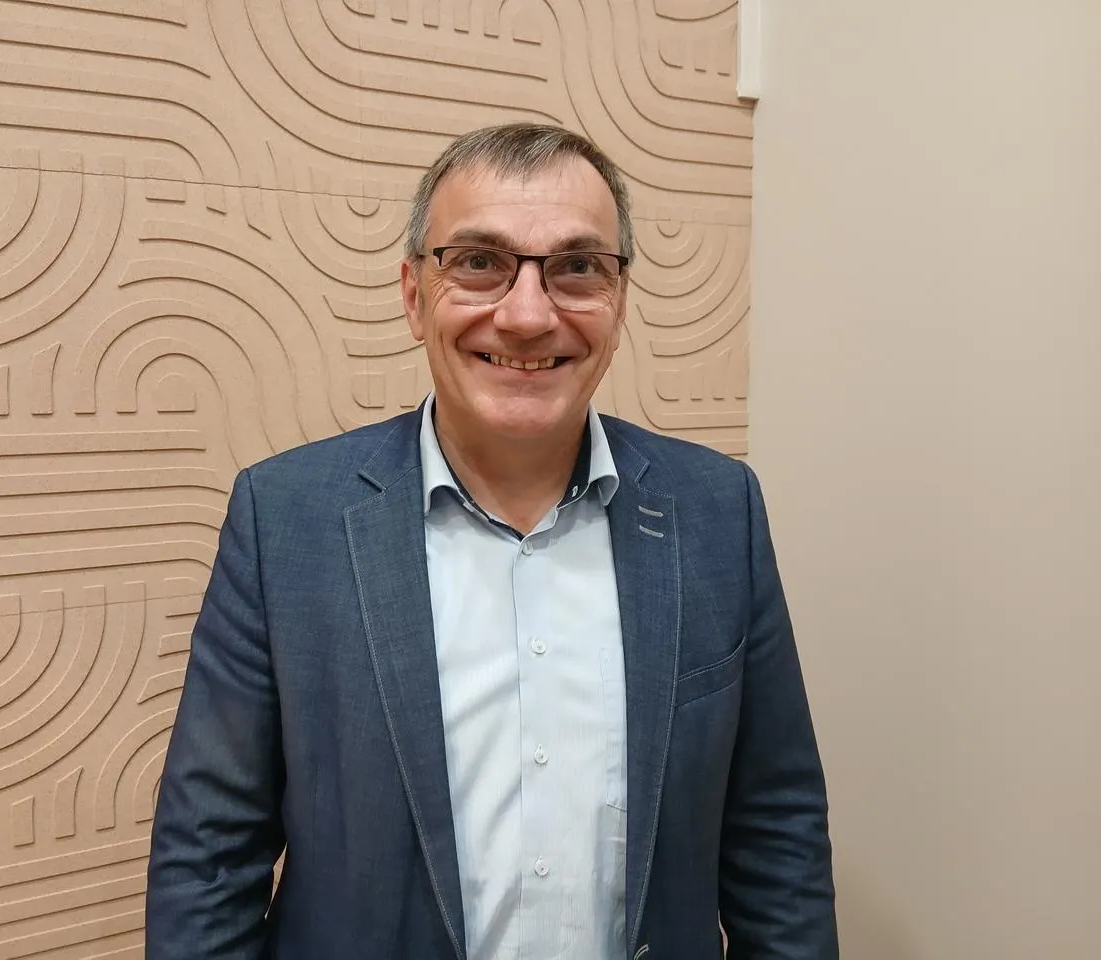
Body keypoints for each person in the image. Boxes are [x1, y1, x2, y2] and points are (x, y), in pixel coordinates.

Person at [145, 122, 838, 960]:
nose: (528, 315)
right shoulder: (284, 519)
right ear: (413, 295)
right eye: (478, 262)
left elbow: (776, 836)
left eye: (577, 267)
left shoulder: (719, 511)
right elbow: (209, 860)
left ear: (619, 299)